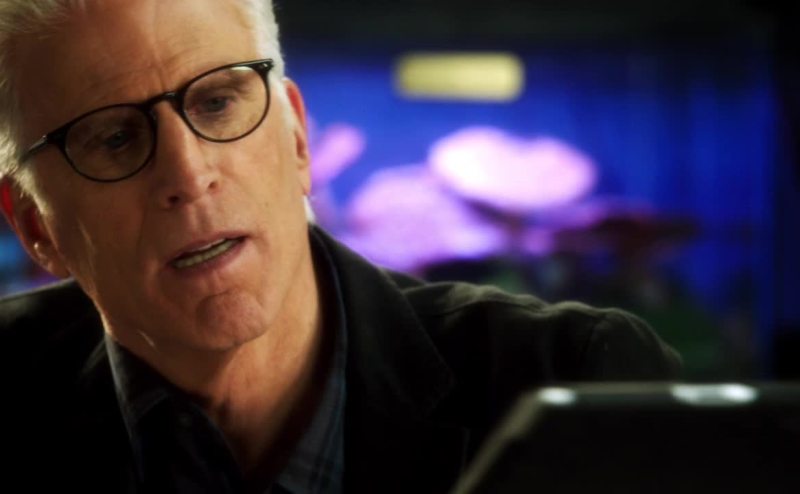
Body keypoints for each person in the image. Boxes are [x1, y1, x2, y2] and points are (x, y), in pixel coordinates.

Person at [0, 0, 681, 492]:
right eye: (114, 138)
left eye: (217, 103)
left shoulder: (575, 376)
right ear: (36, 226)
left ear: (297, 138)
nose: (188, 173)